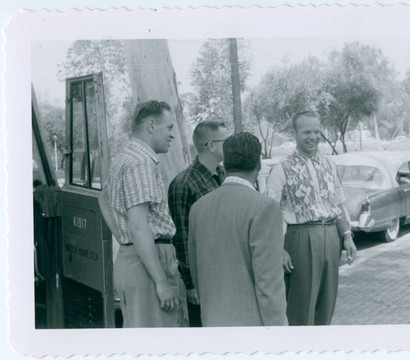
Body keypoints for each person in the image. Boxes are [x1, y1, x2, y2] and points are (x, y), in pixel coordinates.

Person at [99, 100, 187, 327]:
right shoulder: (141, 163)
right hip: (149, 263)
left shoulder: (123, 157)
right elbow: (139, 227)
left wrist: (124, 239)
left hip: (133, 258)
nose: (172, 135)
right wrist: (161, 281)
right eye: (169, 128)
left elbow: (103, 200)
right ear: (150, 126)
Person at [266, 110, 357, 326]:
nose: (313, 137)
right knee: (301, 304)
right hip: (300, 238)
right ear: (295, 133)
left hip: (331, 236)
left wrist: (347, 236)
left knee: (326, 303)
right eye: (307, 132)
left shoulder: (329, 165)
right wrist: (279, 249)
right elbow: (272, 213)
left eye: (317, 131)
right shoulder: (282, 169)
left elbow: (337, 203)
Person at [188, 132, 288, 327]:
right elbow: (269, 283)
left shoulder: (199, 207)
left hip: (212, 322)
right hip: (252, 327)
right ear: (258, 165)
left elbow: (196, 270)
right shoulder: (265, 207)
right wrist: (278, 331)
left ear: (225, 165)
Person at [167, 121, 228, 327]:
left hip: (227, 269)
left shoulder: (224, 176)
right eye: (225, 141)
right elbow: (182, 238)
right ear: (211, 145)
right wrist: (191, 284)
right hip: (202, 275)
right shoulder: (183, 184)